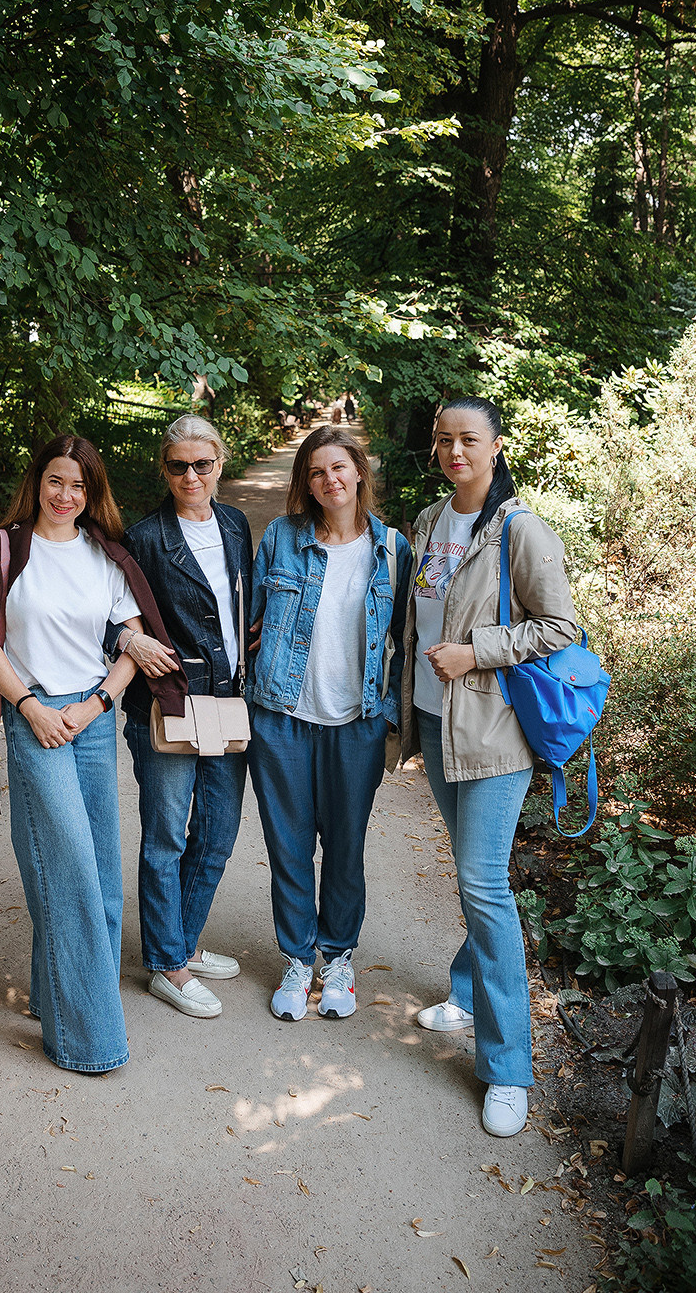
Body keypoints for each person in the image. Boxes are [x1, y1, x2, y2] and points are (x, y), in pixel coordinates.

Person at [0, 434, 183, 1074]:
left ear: (92, 493)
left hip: (91, 720)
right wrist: (30, 708)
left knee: (102, 880)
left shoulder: (106, 556)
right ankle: (89, 1041)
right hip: (35, 717)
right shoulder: (0, 550)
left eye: (79, 485)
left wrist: (98, 704)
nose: (65, 495)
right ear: (37, 481)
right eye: (56, 480)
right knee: (71, 874)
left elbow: (132, 642)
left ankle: (54, 997)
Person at [401, 395, 580, 1138]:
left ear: (496, 445)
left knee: (482, 884)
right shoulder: (428, 521)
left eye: (469, 439)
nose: (455, 451)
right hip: (437, 726)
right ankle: (469, 991)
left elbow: (561, 625)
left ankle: (508, 1068)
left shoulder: (519, 529)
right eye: (445, 439)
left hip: (494, 733)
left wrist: (477, 651)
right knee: (474, 874)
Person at [248, 425, 408, 1022]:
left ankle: (338, 957)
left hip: (355, 722)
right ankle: (297, 958)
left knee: (345, 846)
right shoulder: (281, 538)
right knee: (288, 846)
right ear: (306, 484)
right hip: (281, 717)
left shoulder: (392, 548)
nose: (329, 479)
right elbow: (251, 622)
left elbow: (403, 639)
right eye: (316, 472)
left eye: (338, 467)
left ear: (359, 472)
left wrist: (391, 717)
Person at [120, 416, 254, 1020]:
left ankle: (182, 942)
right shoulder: (145, 537)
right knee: (167, 835)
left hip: (226, 698)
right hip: (169, 699)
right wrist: (129, 639)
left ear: (220, 464)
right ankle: (167, 965)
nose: (191, 476)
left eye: (202, 464)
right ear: (165, 469)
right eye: (179, 466)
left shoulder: (235, 524)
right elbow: (110, 608)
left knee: (218, 832)